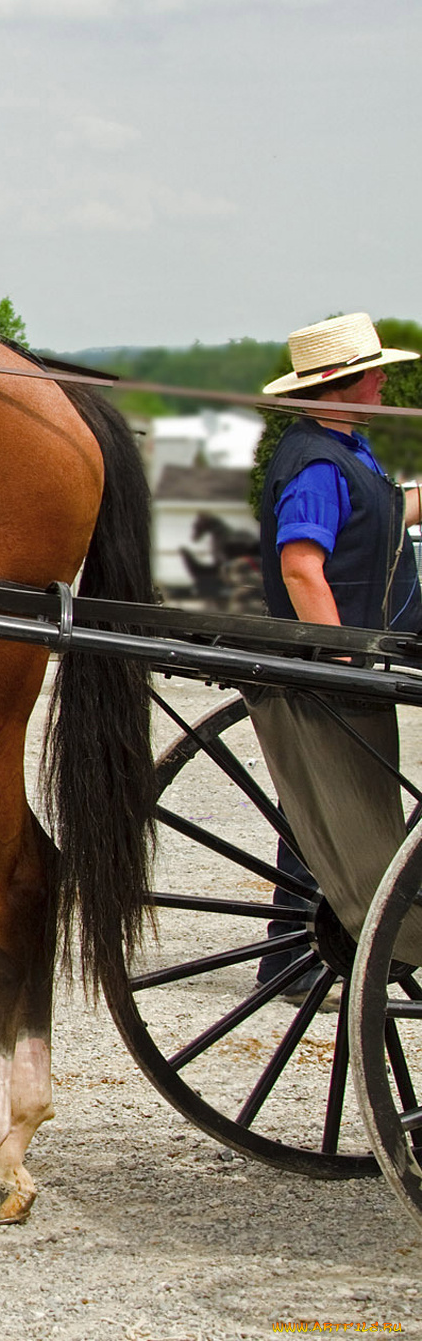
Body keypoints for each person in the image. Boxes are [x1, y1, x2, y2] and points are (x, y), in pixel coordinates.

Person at [254, 313, 422, 1002]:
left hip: (363, 644)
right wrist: (341, 659)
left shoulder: (345, 446)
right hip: (341, 652)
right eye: (372, 374)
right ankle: (289, 956)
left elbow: (382, 514)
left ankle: (289, 953)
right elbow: (302, 567)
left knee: (324, 801)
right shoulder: (317, 463)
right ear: (340, 387)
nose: (384, 381)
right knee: (327, 795)